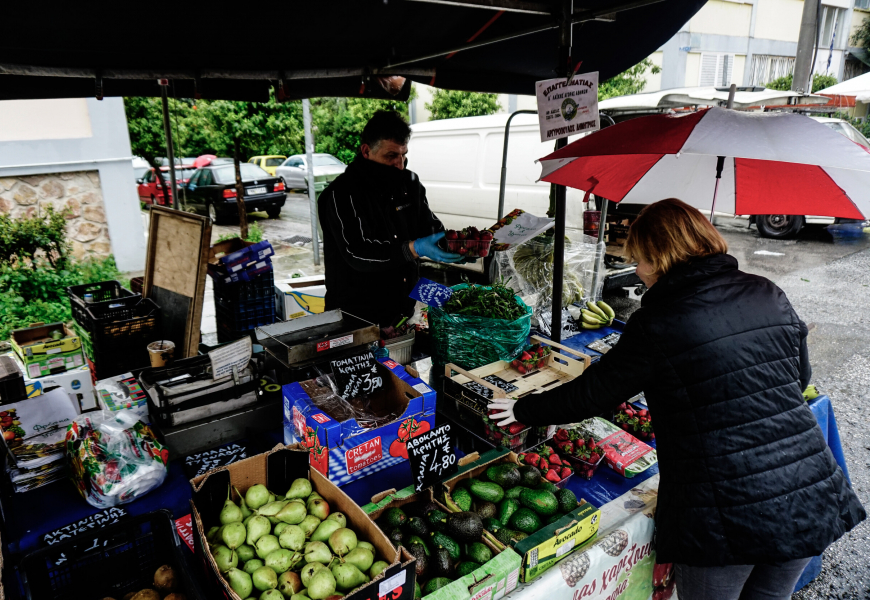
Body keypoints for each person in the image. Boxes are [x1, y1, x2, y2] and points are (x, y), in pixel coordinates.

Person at [488, 199, 865, 600]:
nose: (636, 270)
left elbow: (592, 394)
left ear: (661, 255)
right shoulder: (766, 291)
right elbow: (798, 378)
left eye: (639, 259)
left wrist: (522, 408)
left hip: (726, 516)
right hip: (807, 492)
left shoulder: (659, 322)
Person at [318, 110, 461, 327]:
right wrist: (413, 248)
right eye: (391, 156)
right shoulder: (341, 194)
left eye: (404, 155)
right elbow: (358, 252)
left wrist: (456, 245)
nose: (400, 164)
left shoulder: (410, 183)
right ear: (366, 151)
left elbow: (429, 227)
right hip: (355, 318)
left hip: (403, 312)